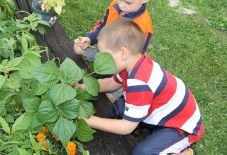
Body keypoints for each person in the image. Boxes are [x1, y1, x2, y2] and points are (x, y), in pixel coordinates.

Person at [79, 18, 204, 155]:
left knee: (142, 152)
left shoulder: (140, 84)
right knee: (118, 109)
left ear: (123, 53)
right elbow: (110, 83)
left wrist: (88, 120)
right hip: (163, 111)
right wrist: (79, 88)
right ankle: (147, 127)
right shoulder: (132, 63)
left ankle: (186, 152)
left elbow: (126, 127)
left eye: (105, 55)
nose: (101, 60)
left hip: (181, 127)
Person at [74, 0, 154, 105]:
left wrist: (116, 72)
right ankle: (104, 70)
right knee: (78, 48)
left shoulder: (142, 27)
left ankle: (116, 88)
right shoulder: (114, 6)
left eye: (128, 2)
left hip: (123, 64)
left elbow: (134, 60)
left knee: (110, 99)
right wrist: (89, 38)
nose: (121, 5)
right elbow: (102, 25)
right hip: (105, 50)